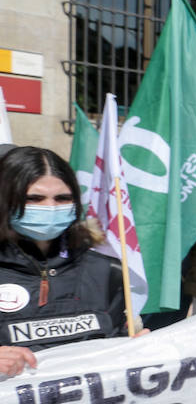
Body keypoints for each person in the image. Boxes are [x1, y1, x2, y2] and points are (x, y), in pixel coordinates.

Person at [0, 146, 131, 376]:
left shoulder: (106, 270)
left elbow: (115, 344)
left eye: (62, 198)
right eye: (34, 198)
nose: (50, 207)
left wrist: (139, 350)